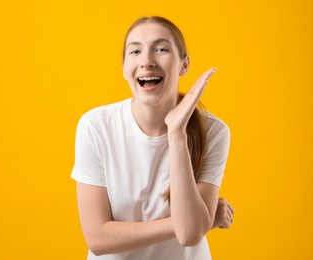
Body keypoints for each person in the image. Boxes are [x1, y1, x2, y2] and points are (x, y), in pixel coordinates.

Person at [71, 16, 235, 259]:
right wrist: (198, 220)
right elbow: (98, 237)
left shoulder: (214, 131)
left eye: (161, 49)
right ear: (124, 67)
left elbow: (190, 236)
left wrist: (177, 133)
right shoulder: (96, 126)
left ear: (184, 64)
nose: (146, 61)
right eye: (135, 51)